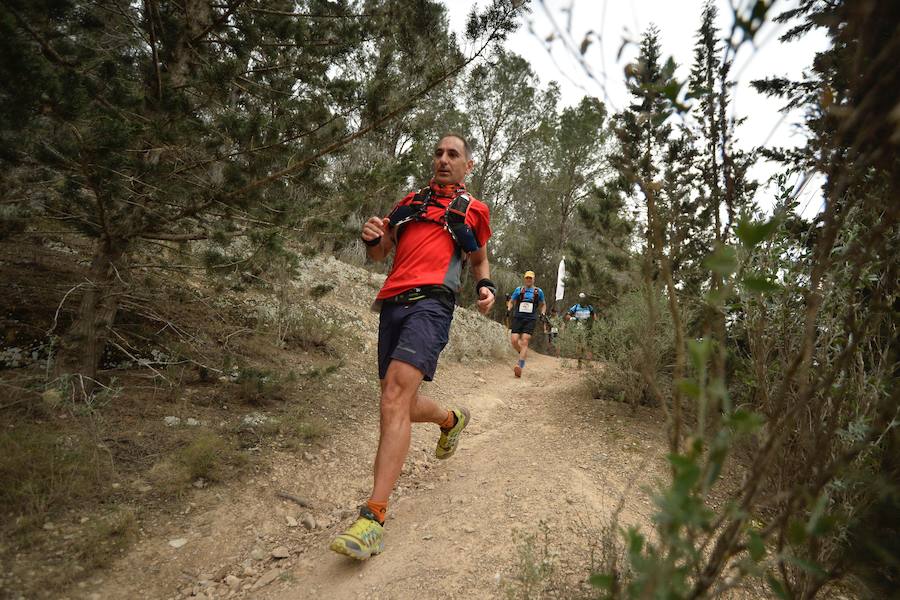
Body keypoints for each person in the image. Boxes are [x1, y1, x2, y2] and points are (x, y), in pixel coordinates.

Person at [330, 134, 496, 560]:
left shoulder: (472, 210)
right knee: (398, 399)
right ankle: (450, 418)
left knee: (393, 397)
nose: (443, 159)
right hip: (392, 303)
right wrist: (371, 238)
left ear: (468, 165)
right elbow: (379, 255)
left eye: (452, 154)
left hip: (433, 304)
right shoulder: (408, 203)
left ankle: (373, 518)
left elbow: (478, 258)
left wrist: (485, 285)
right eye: (438, 153)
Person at [506, 271, 546, 378]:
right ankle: (522, 353)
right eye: (527, 278)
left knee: (525, 341)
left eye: (531, 278)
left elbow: (543, 304)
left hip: (530, 319)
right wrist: (509, 309)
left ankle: (520, 365)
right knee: (514, 340)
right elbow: (511, 301)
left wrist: (542, 314)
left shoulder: (538, 292)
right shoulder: (519, 290)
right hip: (518, 318)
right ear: (525, 279)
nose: (529, 280)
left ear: (534, 279)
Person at [565, 292, 596, 366]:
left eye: (583, 299)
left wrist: (595, 322)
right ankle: (579, 363)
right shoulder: (575, 307)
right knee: (579, 345)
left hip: (588, 328)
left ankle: (588, 363)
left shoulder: (589, 307)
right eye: (581, 299)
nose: (582, 300)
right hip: (578, 328)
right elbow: (567, 315)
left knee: (589, 345)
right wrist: (572, 318)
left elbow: (594, 314)